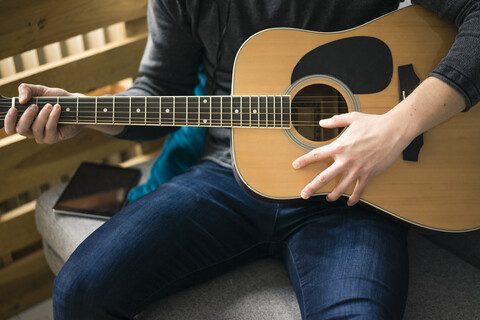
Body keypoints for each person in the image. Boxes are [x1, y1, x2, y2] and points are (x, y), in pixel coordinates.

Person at [4, 0, 479, 319]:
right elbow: (159, 94)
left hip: (353, 189)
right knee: (79, 290)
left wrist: (394, 129)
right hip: (224, 177)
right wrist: (88, 113)